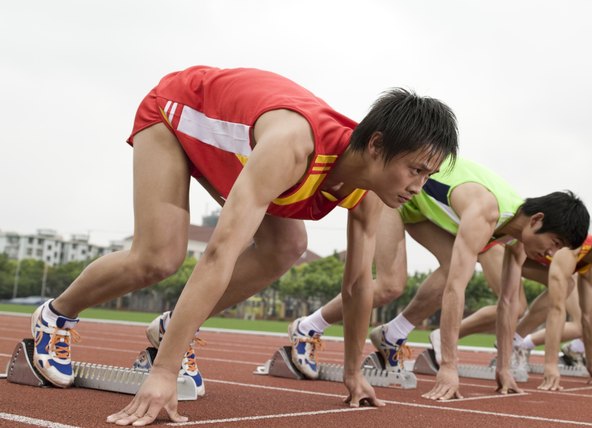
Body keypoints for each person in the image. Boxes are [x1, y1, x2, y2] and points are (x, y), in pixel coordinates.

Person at [28, 65, 458, 426]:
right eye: (414, 170)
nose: (418, 187)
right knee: (158, 258)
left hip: (239, 150)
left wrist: (352, 373)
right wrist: (164, 371)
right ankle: (55, 317)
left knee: (286, 245)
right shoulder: (293, 147)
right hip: (177, 114)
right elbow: (220, 252)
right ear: (378, 144)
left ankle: (170, 327)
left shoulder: (367, 192)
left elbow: (358, 286)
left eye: (427, 175)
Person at [287, 156, 590, 400]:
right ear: (537, 220)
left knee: (453, 268)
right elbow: (456, 290)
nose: (552, 252)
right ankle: (307, 327)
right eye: (555, 243)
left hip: (421, 209)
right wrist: (449, 366)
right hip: (397, 192)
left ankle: (393, 334)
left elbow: (508, 302)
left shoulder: (518, 238)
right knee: (391, 284)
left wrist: (504, 368)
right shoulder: (486, 211)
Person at [436, 223, 592, 391]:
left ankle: (512, 342)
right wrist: (550, 365)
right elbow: (556, 310)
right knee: (516, 306)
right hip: (499, 247)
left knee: (567, 285)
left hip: (523, 257)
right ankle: (446, 336)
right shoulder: (571, 251)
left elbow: (589, 317)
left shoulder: (588, 268)